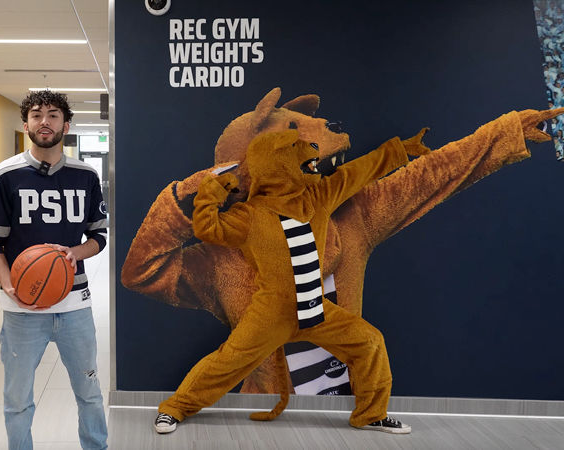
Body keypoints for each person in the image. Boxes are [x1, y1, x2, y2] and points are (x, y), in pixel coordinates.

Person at [154, 129, 424, 435]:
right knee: (226, 363)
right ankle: (173, 409)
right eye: (293, 147)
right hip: (272, 314)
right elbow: (207, 228)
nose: (309, 149)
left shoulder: (319, 196)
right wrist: (216, 189)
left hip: (317, 310)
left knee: (370, 342)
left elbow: (358, 172)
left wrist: (398, 151)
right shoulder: (251, 215)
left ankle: (371, 414)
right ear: (273, 164)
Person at [0, 90, 108, 449]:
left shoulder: (85, 175)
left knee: (90, 394)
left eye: (53, 115)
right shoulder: (5, 175)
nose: (44, 121)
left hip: (75, 306)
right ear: (26, 125)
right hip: (21, 311)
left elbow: (99, 235)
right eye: (36, 115)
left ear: (66, 125)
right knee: (18, 400)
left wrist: (73, 253)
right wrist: (9, 287)